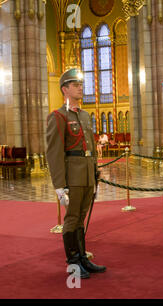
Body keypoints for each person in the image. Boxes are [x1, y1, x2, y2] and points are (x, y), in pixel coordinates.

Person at [46, 68, 106, 279]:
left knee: (81, 217)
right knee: (71, 219)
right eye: (75, 85)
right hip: (72, 177)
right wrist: (60, 187)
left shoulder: (84, 115)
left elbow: (89, 146)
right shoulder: (58, 116)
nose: (80, 87)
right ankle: (72, 262)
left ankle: (82, 258)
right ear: (65, 89)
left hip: (87, 175)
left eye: (81, 84)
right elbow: (54, 153)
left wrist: (95, 173)